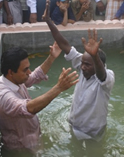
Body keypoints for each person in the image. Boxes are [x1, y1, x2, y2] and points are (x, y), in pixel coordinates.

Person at [42, 0, 115, 154]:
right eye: (82, 63)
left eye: (87, 64)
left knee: (94, 154)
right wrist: (49, 22)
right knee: (75, 152)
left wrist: (94, 57)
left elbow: (101, 75)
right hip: (75, 124)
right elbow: (64, 44)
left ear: (97, 64)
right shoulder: (84, 67)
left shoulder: (107, 78)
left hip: (94, 132)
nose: (82, 67)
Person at [0, 42, 78, 155]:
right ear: (11, 72)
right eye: (25, 69)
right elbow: (29, 108)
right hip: (21, 150)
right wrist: (58, 88)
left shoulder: (12, 79)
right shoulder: (3, 96)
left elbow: (34, 76)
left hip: (32, 141)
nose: (29, 72)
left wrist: (51, 57)